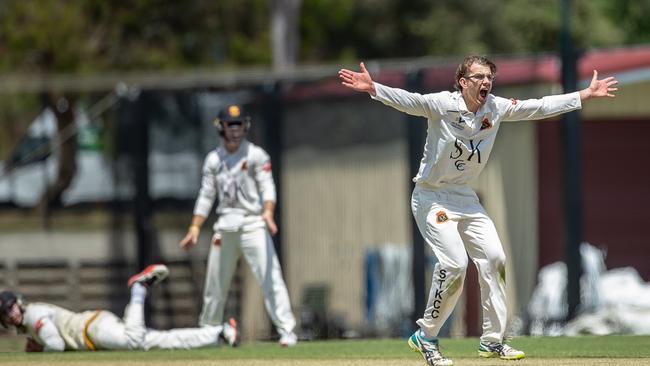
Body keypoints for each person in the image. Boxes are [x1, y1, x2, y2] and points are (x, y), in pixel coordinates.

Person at [338, 55, 617, 366]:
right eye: (479, 77)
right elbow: (410, 100)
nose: (486, 82)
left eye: (489, 77)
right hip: (432, 197)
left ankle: (492, 341)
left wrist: (582, 95)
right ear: (463, 82)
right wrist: (374, 87)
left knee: (495, 258)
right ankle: (426, 336)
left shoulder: (494, 108)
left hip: (464, 198)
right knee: (455, 264)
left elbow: (537, 106)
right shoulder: (443, 104)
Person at [179, 104, 298, 347]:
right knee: (215, 284)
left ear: (246, 126)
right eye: (230, 124)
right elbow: (206, 194)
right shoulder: (214, 159)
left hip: (253, 223)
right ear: (220, 127)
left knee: (270, 277)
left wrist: (268, 212)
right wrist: (194, 227)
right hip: (225, 226)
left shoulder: (256, 155)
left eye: (239, 124)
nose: (235, 129)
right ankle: (208, 334)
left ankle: (287, 331)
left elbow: (267, 186)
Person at [0, 264, 239, 352]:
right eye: (6, 313)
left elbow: (56, 344)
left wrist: (41, 349)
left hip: (92, 330)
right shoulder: (30, 321)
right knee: (160, 341)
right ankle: (219, 333)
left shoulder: (33, 316)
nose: (11, 314)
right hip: (95, 328)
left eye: (11, 308)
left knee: (134, 341)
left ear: (19, 303)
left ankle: (139, 288)